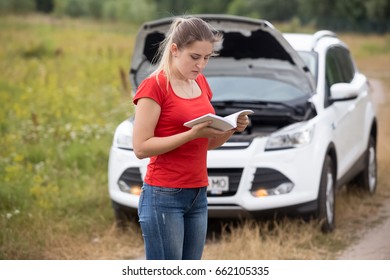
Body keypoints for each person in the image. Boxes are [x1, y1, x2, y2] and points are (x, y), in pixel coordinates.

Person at [132, 16, 250, 260]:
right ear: (175, 50)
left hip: (198, 194)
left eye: (207, 58)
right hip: (163, 196)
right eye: (195, 57)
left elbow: (205, 143)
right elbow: (141, 148)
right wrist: (191, 134)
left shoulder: (201, 83)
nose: (201, 65)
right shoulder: (154, 86)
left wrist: (230, 129)